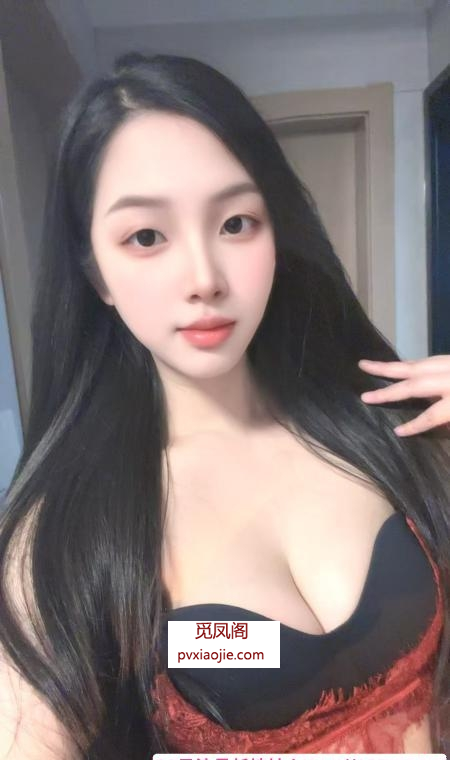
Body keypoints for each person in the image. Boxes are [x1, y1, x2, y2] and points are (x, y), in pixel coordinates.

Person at [0, 51, 449, 759]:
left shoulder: (385, 423)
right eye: (147, 237)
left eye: (236, 223)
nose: (204, 278)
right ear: (97, 275)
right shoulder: (67, 539)